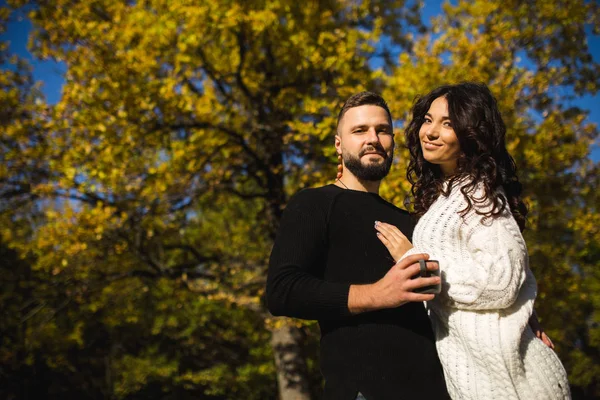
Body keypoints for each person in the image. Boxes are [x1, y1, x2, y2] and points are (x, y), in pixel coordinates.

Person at [375, 82, 571, 399]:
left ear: (471, 133)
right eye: (428, 119)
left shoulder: (480, 192)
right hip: (477, 379)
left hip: (514, 384)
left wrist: (415, 260)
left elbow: (503, 278)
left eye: (448, 123)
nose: (431, 132)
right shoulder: (447, 194)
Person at [266, 92, 450, 399]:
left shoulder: (418, 221)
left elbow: (454, 290)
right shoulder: (314, 204)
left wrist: (521, 321)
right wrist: (378, 294)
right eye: (360, 130)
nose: (373, 139)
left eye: (383, 130)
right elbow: (282, 291)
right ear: (339, 144)